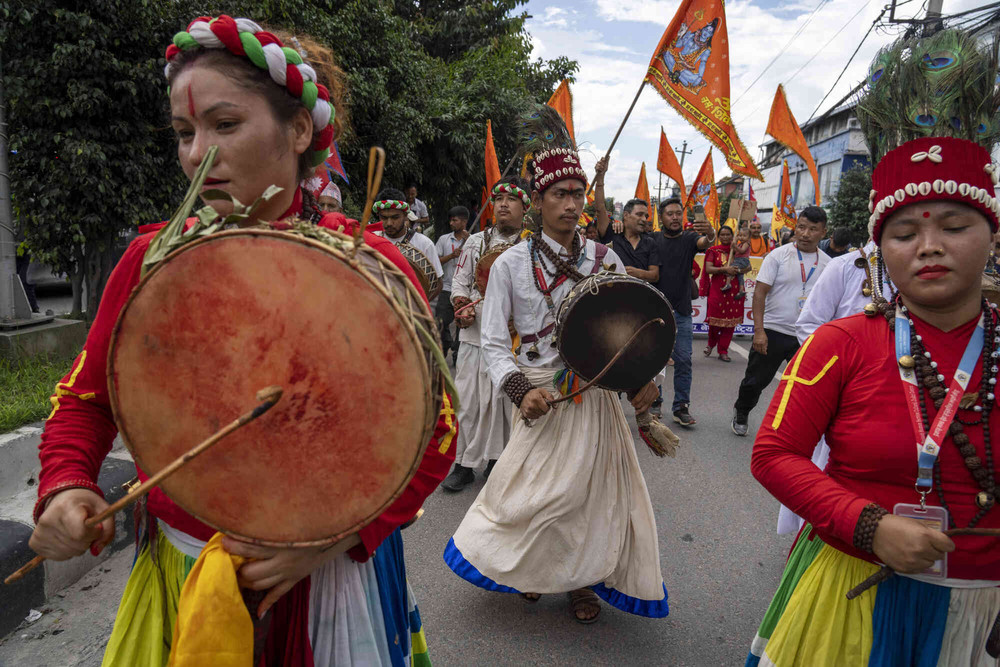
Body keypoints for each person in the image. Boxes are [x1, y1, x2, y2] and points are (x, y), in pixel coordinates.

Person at [27, 17, 455, 665]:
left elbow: (438, 428)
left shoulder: (367, 267)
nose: (198, 154)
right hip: (184, 580)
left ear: (299, 129)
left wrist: (341, 534)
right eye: (184, 132)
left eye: (224, 125)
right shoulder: (152, 265)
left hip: (330, 590)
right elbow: (86, 401)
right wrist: (65, 485)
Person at [748, 29, 1000, 664]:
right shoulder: (842, 342)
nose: (929, 246)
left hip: (985, 613)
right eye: (905, 232)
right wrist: (869, 525)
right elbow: (774, 453)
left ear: (992, 234)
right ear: (880, 248)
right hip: (850, 595)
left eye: (954, 225)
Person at [444, 146, 669, 625]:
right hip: (540, 395)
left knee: (586, 495)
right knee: (533, 494)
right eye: (559, 194)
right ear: (537, 200)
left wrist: (646, 381)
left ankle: (580, 581)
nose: (570, 204)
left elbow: (634, 327)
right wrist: (520, 391)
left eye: (577, 194)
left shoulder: (605, 259)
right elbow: (493, 343)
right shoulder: (509, 264)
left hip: (595, 396)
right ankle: (532, 569)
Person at [442, 178, 526, 492]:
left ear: (525, 207)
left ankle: (496, 463)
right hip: (474, 336)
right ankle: (463, 465)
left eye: (511, 199)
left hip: (511, 342)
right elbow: (460, 281)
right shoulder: (475, 241)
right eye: (498, 198)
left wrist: (520, 321)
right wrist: (461, 306)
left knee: (502, 404)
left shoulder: (532, 245)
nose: (503, 204)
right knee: (468, 402)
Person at [731, 206, 830, 436]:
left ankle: (794, 428)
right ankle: (742, 410)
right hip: (773, 331)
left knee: (806, 386)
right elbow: (759, 293)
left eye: (812, 229)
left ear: (823, 232)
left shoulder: (829, 264)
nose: (805, 234)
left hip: (808, 336)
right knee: (756, 381)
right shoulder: (778, 255)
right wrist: (759, 331)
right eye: (801, 227)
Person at [649, 198, 716, 427]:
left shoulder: (689, 238)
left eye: (678, 213)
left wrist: (711, 233)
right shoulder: (653, 239)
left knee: (684, 360)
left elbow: (705, 242)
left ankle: (681, 407)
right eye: (670, 213)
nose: (675, 217)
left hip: (682, 311)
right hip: (655, 311)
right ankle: (654, 401)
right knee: (655, 360)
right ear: (662, 217)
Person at [594, 159, 660, 285]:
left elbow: (655, 275)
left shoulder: (650, 242)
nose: (644, 219)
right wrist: (600, 176)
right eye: (639, 214)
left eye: (646, 216)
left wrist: (636, 273)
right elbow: (600, 208)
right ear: (626, 215)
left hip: (643, 295)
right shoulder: (611, 234)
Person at [375, 187, 444, 300]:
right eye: (384, 217)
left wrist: (416, 306)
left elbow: (438, 284)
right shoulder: (372, 239)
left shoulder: (424, 243)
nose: (389, 223)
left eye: (395, 217)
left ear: (406, 215)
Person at [700, 226, 746, 362]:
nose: (725, 237)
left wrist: (738, 269)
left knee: (730, 324)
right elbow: (708, 269)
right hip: (718, 289)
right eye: (723, 235)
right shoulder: (713, 251)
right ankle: (711, 344)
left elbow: (746, 266)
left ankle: (723, 350)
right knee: (714, 321)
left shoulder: (738, 250)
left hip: (734, 289)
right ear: (719, 237)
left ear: (733, 236)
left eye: (728, 235)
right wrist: (724, 269)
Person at [435, 206, 469, 362]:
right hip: (447, 288)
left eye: (455, 220)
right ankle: (444, 344)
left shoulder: (473, 240)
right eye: (450, 220)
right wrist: (451, 256)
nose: (451, 223)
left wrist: (469, 243)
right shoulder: (444, 240)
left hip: (465, 290)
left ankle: (457, 355)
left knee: (463, 325)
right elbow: (435, 261)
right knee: (440, 322)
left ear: (464, 221)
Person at [721, 226, 751, 299]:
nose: (741, 237)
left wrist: (735, 246)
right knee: (740, 276)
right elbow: (735, 251)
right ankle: (741, 290)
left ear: (749, 237)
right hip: (739, 260)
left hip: (742, 260)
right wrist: (733, 246)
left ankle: (728, 283)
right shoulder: (739, 244)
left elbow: (742, 251)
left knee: (731, 268)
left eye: (744, 236)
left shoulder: (746, 243)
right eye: (740, 235)